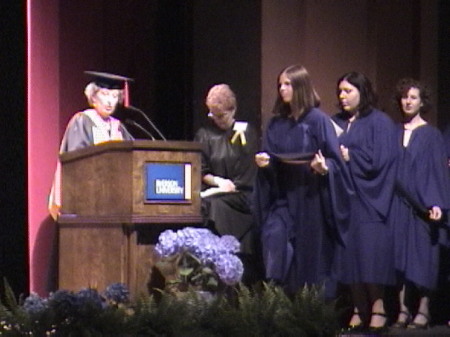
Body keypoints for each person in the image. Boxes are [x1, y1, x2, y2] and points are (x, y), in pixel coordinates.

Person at [254, 65, 353, 296]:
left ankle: (309, 311)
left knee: (311, 258)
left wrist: (324, 167)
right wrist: (265, 165)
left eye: (287, 84)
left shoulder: (318, 121)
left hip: (312, 198)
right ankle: (277, 299)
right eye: (280, 84)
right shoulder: (277, 124)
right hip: (284, 198)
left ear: (300, 87)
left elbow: (335, 162)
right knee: (275, 235)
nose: (282, 89)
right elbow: (271, 161)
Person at [333, 72, 397, 332]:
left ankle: (379, 307)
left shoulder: (379, 122)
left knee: (369, 255)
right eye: (340, 91)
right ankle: (358, 307)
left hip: (370, 199)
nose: (342, 96)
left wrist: (351, 156)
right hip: (345, 200)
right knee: (349, 257)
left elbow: (381, 160)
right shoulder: (338, 122)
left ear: (362, 91)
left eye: (348, 90)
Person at [390, 78, 449, 330]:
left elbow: (437, 172)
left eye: (413, 97)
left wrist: (436, 203)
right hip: (398, 205)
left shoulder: (432, 135)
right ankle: (403, 310)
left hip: (422, 208)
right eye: (404, 97)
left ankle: (423, 309)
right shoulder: (393, 132)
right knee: (399, 258)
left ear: (422, 101)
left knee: (423, 257)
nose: (408, 101)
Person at [194, 84, 262, 285]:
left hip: (241, 194)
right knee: (209, 205)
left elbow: (248, 169)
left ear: (233, 111)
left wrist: (232, 185)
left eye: (221, 116)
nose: (216, 120)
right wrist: (218, 182)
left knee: (219, 205)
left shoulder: (245, 132)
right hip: (216, 190)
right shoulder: (204, 135)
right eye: (213, 115)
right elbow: (202, 170)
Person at [48, 71, 134, 219]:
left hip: (116, 203)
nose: (110, 102)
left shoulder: (118, 127)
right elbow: (76, 164)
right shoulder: (82, 121)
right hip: (87, 202)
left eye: (114, 96)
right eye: (105, 94)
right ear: (93, 96)